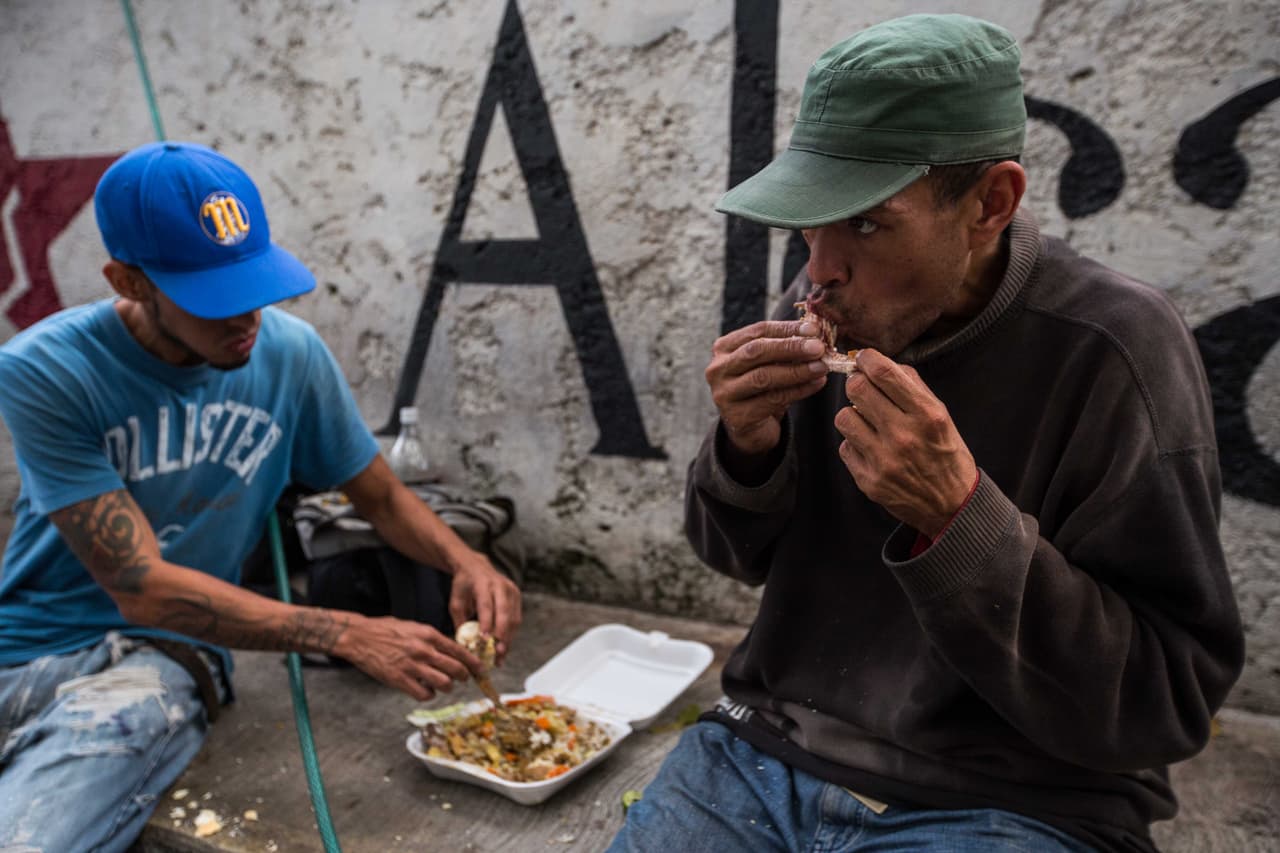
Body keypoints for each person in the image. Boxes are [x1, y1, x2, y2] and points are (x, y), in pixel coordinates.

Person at [610, 14, 1243, 853]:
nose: (820, 267)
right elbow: (735, 556)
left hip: (1017, 796)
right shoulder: (826, 296)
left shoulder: (1117, 350)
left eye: (866, 222)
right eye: (812, 220)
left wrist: (960, 518)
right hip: (770, 744)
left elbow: (1166, 701)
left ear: (991, 202)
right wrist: (745, 448)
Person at [0, 141, 521, 852]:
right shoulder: (45, 370)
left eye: (254, 283)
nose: (247, 316)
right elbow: (140, 583)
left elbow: (383, 500)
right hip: (24, 648)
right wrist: (344, 631)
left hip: (167, 653)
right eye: (212, 298)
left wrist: (469, 561)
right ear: (129, 280)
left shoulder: (292, 354)